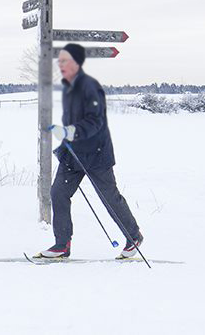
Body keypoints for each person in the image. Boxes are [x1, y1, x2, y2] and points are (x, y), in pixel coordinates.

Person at [35, 43, 143, 259]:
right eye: (60, 61)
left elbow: (95, 121)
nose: (61, 64)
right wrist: (64, 132)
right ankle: (62, 245)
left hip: (96, 154)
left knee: (109, 197)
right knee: (58, 193)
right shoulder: (70, 87)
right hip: (73, 156)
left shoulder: (90, 87)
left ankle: (133, 236)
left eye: (64, 61)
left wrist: (71, 131)